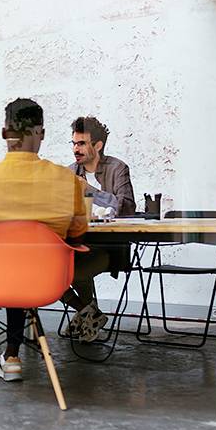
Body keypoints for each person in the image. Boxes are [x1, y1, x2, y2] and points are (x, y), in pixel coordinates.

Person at [0, 98, 108, 382]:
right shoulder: (66, 181)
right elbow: (77, 235)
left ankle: (11, 356)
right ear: (42, 134)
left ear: (4, 133)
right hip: (46, 282)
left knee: (7, 266)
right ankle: (11, 353)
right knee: (27, 265)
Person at [65, 116, 136, 338]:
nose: (76, 149)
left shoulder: (117, 168)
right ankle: (89, 313)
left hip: (109, 248)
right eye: (74, 143)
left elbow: (126, 208)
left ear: (98, 145)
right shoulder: (69, 172)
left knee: (72, 270)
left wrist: (90, 191)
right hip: (75, 244)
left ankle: (87, 314)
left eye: (82, 143)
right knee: (46, 268)